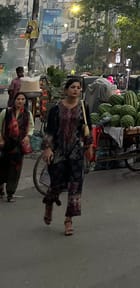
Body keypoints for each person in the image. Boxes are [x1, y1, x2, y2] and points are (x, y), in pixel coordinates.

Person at [41, 77, 93, 236]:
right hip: (58, 153)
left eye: (78, 87)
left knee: (75, 186)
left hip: (76, 153)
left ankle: (68, 220)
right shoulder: (56, 109)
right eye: (72, 87)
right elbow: (49, 131)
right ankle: (49, 204)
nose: (76, 90)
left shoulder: (84, 107)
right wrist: (47, 149)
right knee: (56, 184)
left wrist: (89, 146)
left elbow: (87, 128)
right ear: (66, 90)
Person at [0, 92, 34, 202]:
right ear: (14, 100)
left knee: (15, 170)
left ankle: (10, 193)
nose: (20, 101)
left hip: (19, 147)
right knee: (2, 168)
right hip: (5, 145)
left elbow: (31, 127)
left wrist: (28, 136)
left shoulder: (28, 114)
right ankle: (0, 189)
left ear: (25, 101)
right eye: (18, 99)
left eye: (22, 99)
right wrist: (0, 139)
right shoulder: (6, 112)